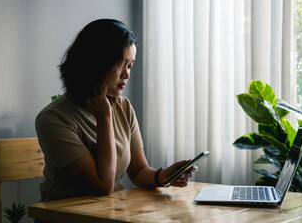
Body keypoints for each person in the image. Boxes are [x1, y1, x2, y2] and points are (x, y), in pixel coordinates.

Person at [35, 19, 198, 203]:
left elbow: (138, 171)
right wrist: (104, 117)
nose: (127, 74)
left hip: (108, 213)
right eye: (121, 64)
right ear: (96, 62)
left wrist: (164, 175)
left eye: (130, 66)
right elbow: (104, 184)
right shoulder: (53, 119)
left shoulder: (123, 107)